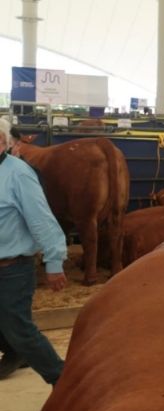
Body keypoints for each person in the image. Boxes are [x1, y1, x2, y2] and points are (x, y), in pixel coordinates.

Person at [0, 118, 67, 385]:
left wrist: (54, 262)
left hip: (12, 269)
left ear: (4, 142)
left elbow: (41, 220)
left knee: (20, 329)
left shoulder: (18, 174)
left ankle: (62, 380)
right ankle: (16, 353)